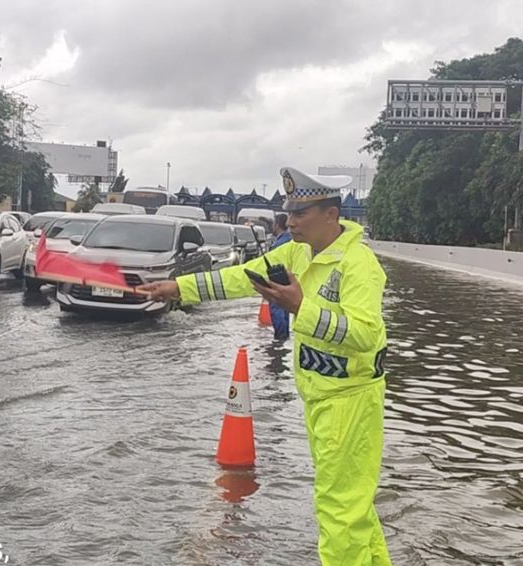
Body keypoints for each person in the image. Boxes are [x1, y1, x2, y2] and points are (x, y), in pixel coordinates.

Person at [139, 167, 391, 566]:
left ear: (331, 215)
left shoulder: (359, 265)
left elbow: (364, 334)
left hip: (349, 401)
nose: (289, 221)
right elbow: (242, 278)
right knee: (353, 507)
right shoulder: (297, 251)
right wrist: (180, 288)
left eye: (300, 213)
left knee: (339, 511)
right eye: (288, 211)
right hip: (321, 398)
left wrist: (301, 308)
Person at [269, 213, 292, 339]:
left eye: (273, 223)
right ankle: (284, 335)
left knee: (277, 309)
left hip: (277, 282)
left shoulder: (280, 244)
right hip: (287, 282)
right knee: (285, 310)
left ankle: (280, 337)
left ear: (277, 225)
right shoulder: (289, 240)